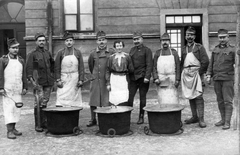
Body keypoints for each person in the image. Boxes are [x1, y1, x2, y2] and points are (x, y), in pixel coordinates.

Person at [206, 29, 236, 130]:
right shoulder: (215, 50)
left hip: (228, 79)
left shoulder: (233, 50)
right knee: (220, 101)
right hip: (217, 78)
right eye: (220, 37)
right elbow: (211, 64)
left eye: (224, 37)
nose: (222, 39)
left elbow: (237, 65)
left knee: (228, 101)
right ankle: (223, 119)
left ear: (228, 37)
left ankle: (227, 122)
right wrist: (208, 74)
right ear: (218, 38)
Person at [180, 26, 209, 128]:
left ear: (195, 36)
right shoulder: (184, 49)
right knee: (190, 95)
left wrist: (199, 72)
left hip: (197, 74)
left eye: (192, 35)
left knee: (198, 96)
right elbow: (182, 63)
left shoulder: (199, 47)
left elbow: (205, 61)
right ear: (185, 36)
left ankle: (201, 119)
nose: (190, 37)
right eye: (188, 35)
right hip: (187, 75)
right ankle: (194, 117)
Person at [26, 32, 54, 132]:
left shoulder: (48, 53)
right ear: (36, 42)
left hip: (48, 81)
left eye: (43, 40)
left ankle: (44, 122)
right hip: (39, 82)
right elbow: (29, 68)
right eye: (40, 41)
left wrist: (53, 76)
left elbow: (52, 65)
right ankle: (38, 124)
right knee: (38, 102)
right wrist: (31, 80)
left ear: (45, 42)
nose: (42, 42)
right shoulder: (32, 54)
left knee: (45, 102)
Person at [0, 38, 27, 139]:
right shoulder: (3, 60)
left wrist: (25, 87)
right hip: (8, 90)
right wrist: (1, 88)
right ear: (9, 48)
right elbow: (0, 75)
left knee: (16, 109)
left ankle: (14, 128)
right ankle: (9, 131)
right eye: (13, 48)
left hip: (17, 89)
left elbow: (23, 75)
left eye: (17, 48)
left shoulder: (21, 60)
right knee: (8, 109)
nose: (16, 50)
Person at [87, 31, 115, 127]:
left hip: (106, 79)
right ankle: (93, 119)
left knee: (106, 99)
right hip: (95, 79)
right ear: (97, 42)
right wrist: (94, 75)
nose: (101, 42)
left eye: (103, 40)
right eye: (99, 40)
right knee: (93, 99)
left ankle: (106, 118)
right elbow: (91, 66)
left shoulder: (111, 52)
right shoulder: (92, 53)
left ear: (106, 41)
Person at [128, 31, 153, 124]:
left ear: (142, 39)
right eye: (134, 39)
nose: (136, 41)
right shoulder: (132, 50)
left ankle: (141, 116)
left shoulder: (147, 50)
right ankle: (127, 116)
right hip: (133, 78)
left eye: (138, 39)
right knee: (130, 98)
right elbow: (129, 64)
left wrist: (147, 76)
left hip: (143, 78)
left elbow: (149, 64)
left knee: (142, 98)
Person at [54, 31, 84, 107]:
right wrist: (58, 80)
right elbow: (56, 67)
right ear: (64, 42)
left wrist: (81, 80)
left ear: (73, 42)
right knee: (62, 99)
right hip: (64, 79)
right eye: (67, 41)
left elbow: (81, 67)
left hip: (75, 79)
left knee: (74, 100)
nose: (69, 42)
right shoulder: (60, 53)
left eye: (70, 40)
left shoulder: (78, 52)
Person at [153, 33, 180, 105]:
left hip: (172, 78)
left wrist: (177, 79)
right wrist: (155, 78)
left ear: (169, 42)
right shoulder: (158, 53)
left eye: (166, 40)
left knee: (172, 98)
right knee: (162, 98)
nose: (165, 42)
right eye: (163, 40)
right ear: (161, 42)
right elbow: (154, 66)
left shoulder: (174, 52)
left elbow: (178, 66)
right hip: (161, 78)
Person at [106, 40, 134, 106]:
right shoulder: (111, 57)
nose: (119, 48)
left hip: (123, 79)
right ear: (115, 47)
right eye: (117, 46)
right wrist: (108, 83)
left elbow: (131, 69)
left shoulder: (127, 56)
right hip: (114, 79)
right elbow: (107, 70)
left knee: (123, 97)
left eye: (120, 46)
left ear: (123, 46)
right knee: (114, 97)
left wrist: (125, 71)